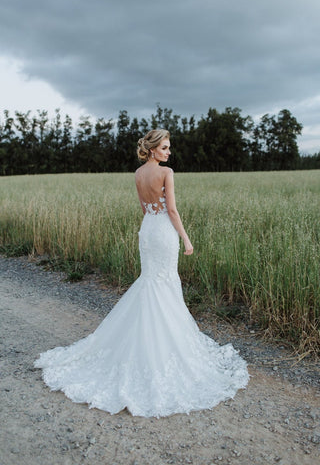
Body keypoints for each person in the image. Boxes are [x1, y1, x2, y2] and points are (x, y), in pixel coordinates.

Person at [34, 129, 249, 418]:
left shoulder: (137, 174)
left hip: (147, 229)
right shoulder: (166, 173)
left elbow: (144, 208)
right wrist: (186, 238)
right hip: (163, 231)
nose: (168, 152)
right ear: (152, 149)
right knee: (164, 283)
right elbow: (171, 210)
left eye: (169, 148)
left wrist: (154, 223)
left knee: (151, 282)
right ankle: (163, 346)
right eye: (164, 147)